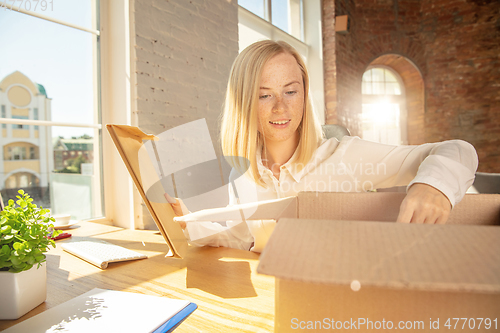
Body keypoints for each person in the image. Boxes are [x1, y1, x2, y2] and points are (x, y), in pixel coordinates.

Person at [169, 40, 478, 252]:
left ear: (304, 94)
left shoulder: (347, 157)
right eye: (264, 96)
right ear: (244, 104)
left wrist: (433, 187)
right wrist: (191, 225)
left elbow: (458, 149)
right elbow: (240, 238)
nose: (280, 109)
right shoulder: (247, 178)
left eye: (290, 92)